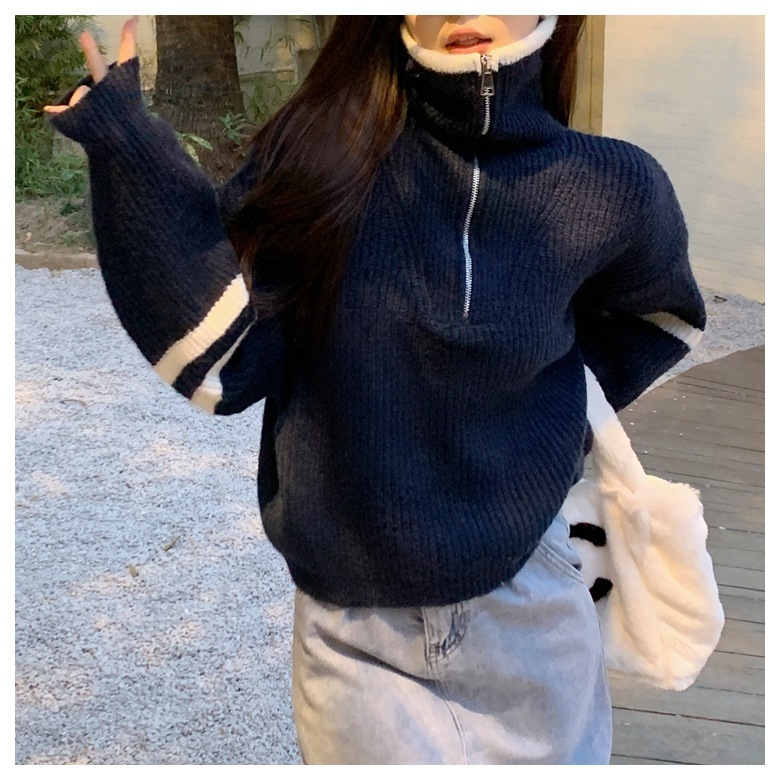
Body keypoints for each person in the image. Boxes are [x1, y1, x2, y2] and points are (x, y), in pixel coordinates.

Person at [45, 15, 706, 765]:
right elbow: (225, 362)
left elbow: (661, 316)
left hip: (535, 603)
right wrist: (128, 147)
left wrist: (551, 423)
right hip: (356, 642)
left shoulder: (615, 185)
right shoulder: (315, 162)